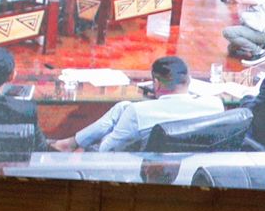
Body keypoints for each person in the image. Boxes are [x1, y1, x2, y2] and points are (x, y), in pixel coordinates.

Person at [52, 56, 223, 151]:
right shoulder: (216, 104)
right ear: (189, 80)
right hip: (193, 163)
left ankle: (71, 143)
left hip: (144, 168)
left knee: (125, 111)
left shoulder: (139, 112)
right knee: (122, 106)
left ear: (156, 83)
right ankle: (71, 142)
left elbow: (107, 149)